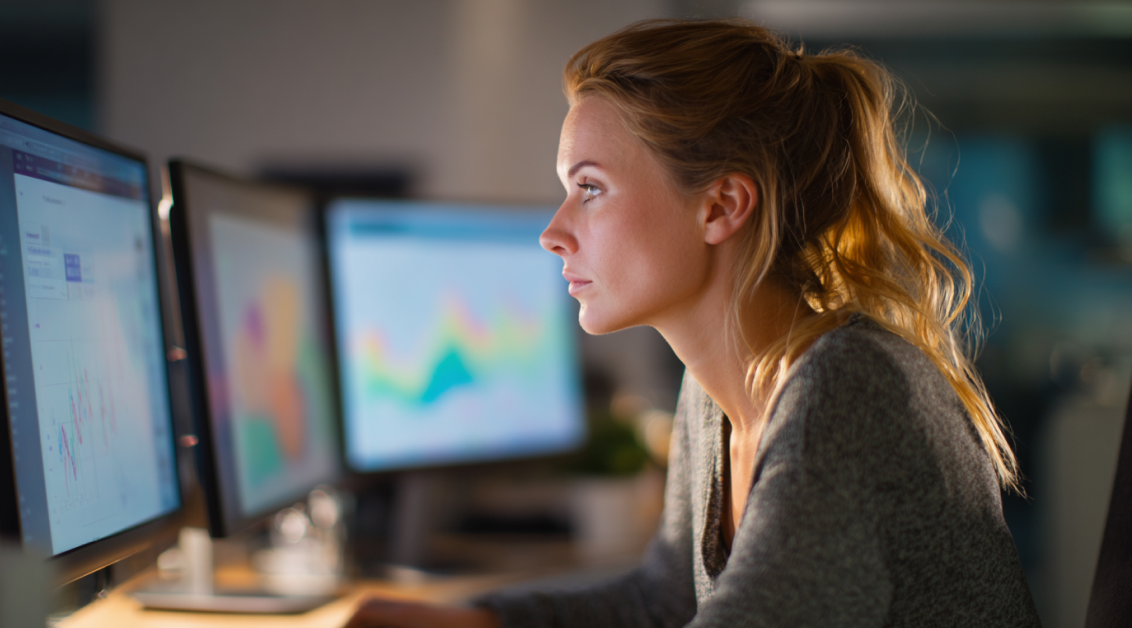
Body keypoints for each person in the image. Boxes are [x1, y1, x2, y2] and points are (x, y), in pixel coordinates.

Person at [345, 18, 1041, 628]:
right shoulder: (713, 395)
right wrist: (478, 622)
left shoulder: (849, 387)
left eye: (590, 188)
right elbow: (663, 603)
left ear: (720, 206)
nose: (553, 233)